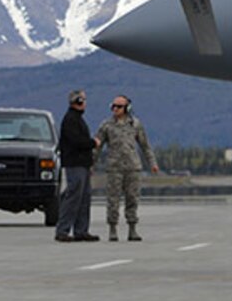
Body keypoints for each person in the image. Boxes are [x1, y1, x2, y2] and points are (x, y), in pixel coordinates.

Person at [95, 94, 160, 242]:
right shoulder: (106, 125)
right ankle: (112, 229)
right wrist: (91, 164)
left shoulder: (135, 124)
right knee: (113, 199)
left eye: (119, 106)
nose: (115, 109)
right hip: (114, 168)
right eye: (113, 106)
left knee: (132, 199)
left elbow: (145, 146)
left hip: (133, 168)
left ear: (127, 108)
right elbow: (97, 147)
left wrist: (153, 163)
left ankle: (132, 229)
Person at [55, 89, 97, 243]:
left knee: (84, 198)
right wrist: (93, 143)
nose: (85, 103)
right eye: (83, 100)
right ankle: (63, 230)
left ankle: (81, 230)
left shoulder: (78, 119)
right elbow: (77, 142)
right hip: (75, 164)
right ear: (78, 102)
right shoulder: (70, 120)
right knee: (73, 197)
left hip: (83, 164)